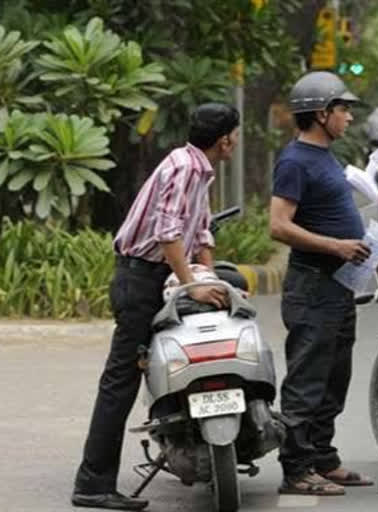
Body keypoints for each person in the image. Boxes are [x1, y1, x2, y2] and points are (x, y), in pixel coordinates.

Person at [72, 103, 240, 510]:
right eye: (235, 134)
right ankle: (93, 484)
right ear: (224, 139)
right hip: (139, 279)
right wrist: (191, 287)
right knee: (121, 380)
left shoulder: (199, 169)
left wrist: (208, 277)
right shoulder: (183, 167)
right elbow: (168, 234)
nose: (236, 141)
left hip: (153, 276)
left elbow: (198, 230)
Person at [269, 71, 374, 496]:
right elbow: (278, 226)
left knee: (335, 376)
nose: (348, 117)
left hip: (337, 287)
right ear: (320, 113)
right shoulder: (295, 161)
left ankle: (322, 458)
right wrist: (336, 247)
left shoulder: (326, 156)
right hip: (312, 285)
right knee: (307, 378)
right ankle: (296, 468)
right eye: (343, 109)